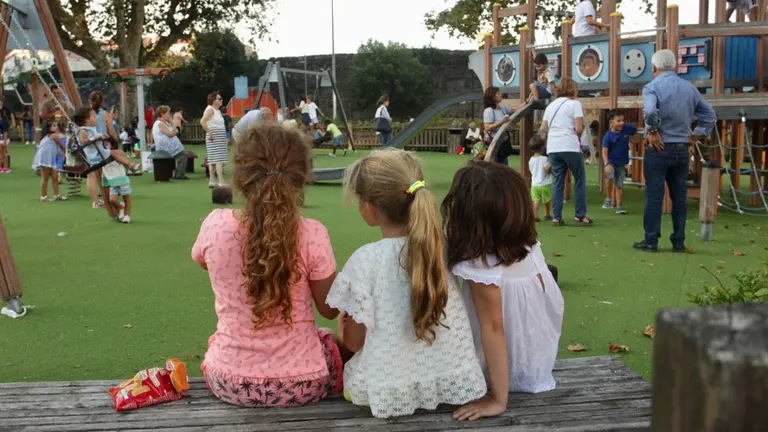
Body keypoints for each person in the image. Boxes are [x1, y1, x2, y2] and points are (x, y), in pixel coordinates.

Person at [326, 149, 486, 419]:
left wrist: (344, 325)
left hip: (387, 388)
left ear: (371, 207)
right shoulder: (444, 247)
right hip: (451, 382)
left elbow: (353, 343)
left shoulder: (366, 260)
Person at [192, 124, 343, 408]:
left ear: (240, 176)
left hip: (230, 381)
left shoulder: (215, 225)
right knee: (334, 340)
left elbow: (205, 263)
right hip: (303, 383)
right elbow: (330, 308)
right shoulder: (312, 233)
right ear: (301, 176)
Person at [442, 161, 564, 421]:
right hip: (535, 349)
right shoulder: (523, 242)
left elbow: (493, 326)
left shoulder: (481, 262)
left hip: (506, 361)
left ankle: (498, 392)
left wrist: (498, 399)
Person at [634, 50, 715, 253]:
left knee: (654, 196)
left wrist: (653, 130)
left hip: (658, 147)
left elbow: (651, 111)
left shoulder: (652, 87)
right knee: (679, 196)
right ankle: (678, 241)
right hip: (682, 148)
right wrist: (697, 133)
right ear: (675, 67)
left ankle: (651, 240)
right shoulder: (689, 88)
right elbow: (710, 114)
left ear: (653, 68)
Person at [539, 77, 592, 227]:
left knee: (557, 181)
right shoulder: (575, 104)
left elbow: (544, 128)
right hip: (570, 146)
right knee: (579, 179)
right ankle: (580, 215)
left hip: (553, 147)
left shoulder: (551, 106)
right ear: (573, 89)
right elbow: (579, 128)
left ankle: (556, 217)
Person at [73, 106, 139, 208]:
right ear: (86, 120)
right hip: (95, 155)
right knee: (114, 154)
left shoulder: (90, 128)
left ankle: (128, 167)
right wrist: (96, 137)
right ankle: (130, 165)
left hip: (99, 152)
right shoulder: (83, 130)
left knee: (118, 153)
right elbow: (83, 141)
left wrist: (103, 137)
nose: (95, 119)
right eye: (93, 117)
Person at [602, 110, 637, 215]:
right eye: (619, 121)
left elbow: (637, 130)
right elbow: (604, 152)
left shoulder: (626, 129)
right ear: (611, 122)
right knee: (609, 179)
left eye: (623, 120)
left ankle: (619, 206)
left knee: (619, 185)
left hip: (621, 163)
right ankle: (608, 198)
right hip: (611, 162)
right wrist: (606, 164)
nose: (622, 123)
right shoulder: (608, 136)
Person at [33, 120, 67, 202]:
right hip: (45, 158)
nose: (56, 127)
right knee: (45, 178)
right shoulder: (54, 135)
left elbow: (54, 148)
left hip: (50, 158)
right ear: (49, 128)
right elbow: (61, 146)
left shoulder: (50, 137)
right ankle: (43, 196)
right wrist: (67, 153)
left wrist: (63, 155)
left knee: (55, 177)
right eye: (54, 126)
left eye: (56, 125)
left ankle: (56, 195)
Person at [101, 137, 133, 224]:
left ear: (112, 144)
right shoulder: (102, 155)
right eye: (103, 145)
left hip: (121, 178)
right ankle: (121, 207)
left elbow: (123, 160)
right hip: (112, 181)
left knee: (126, 198)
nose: (105, 147)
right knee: (112, 200)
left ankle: (127, 216)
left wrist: (129, 167)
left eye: (107, 144)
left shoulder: (116, 153)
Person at [201, 91, 228, 188]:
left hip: (218, 135)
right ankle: (221, 181)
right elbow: (202, 121)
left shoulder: (217, 110)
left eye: (221, 98)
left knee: (213, 159)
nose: (221, 100)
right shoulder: (210, 110)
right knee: (218, 159)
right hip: (214, 135)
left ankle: (212, 181)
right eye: (219, 99)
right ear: (213, 100)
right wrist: (209, 132)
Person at [153, 106, 189, 180]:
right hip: (165, 147)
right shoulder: (159, 123)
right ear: (162, 114)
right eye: (167, 113)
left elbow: (174, 130)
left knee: (182, 155)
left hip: (168, 146)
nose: (169, 115)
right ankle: (179, 175)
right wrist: (175, 132)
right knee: (183, 155)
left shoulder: (164, 122)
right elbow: (170, 134)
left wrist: (172, 122)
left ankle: (179, 174)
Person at [483, 87, 512, 164]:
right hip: (496, 145)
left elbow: (515, 109)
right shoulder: (489, 110)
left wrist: (527, 101)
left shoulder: (502, 108)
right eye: (498, 93)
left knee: (504, 166)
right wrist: (502, 122)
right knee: (499, 168)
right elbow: (487, 127)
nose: (501, 95)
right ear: (493, 96)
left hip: (503, 144)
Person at [528, 136, 553, 222]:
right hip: (545, 183)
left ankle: (535, 216)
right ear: (543, 147)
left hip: (534, 184)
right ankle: (547, 214)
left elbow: (531, 170)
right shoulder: (545, 159)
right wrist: (551, 164)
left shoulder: (531, 160)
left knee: (536, 201)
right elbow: (547, 170)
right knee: (548, 200)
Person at [0, 95, 15, 174]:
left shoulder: (5, 109)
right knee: (1, 153)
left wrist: (13, 123)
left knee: (3, 152)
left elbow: (11, 114)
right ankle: (2, 167)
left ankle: (5, 167)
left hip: (3, 137)